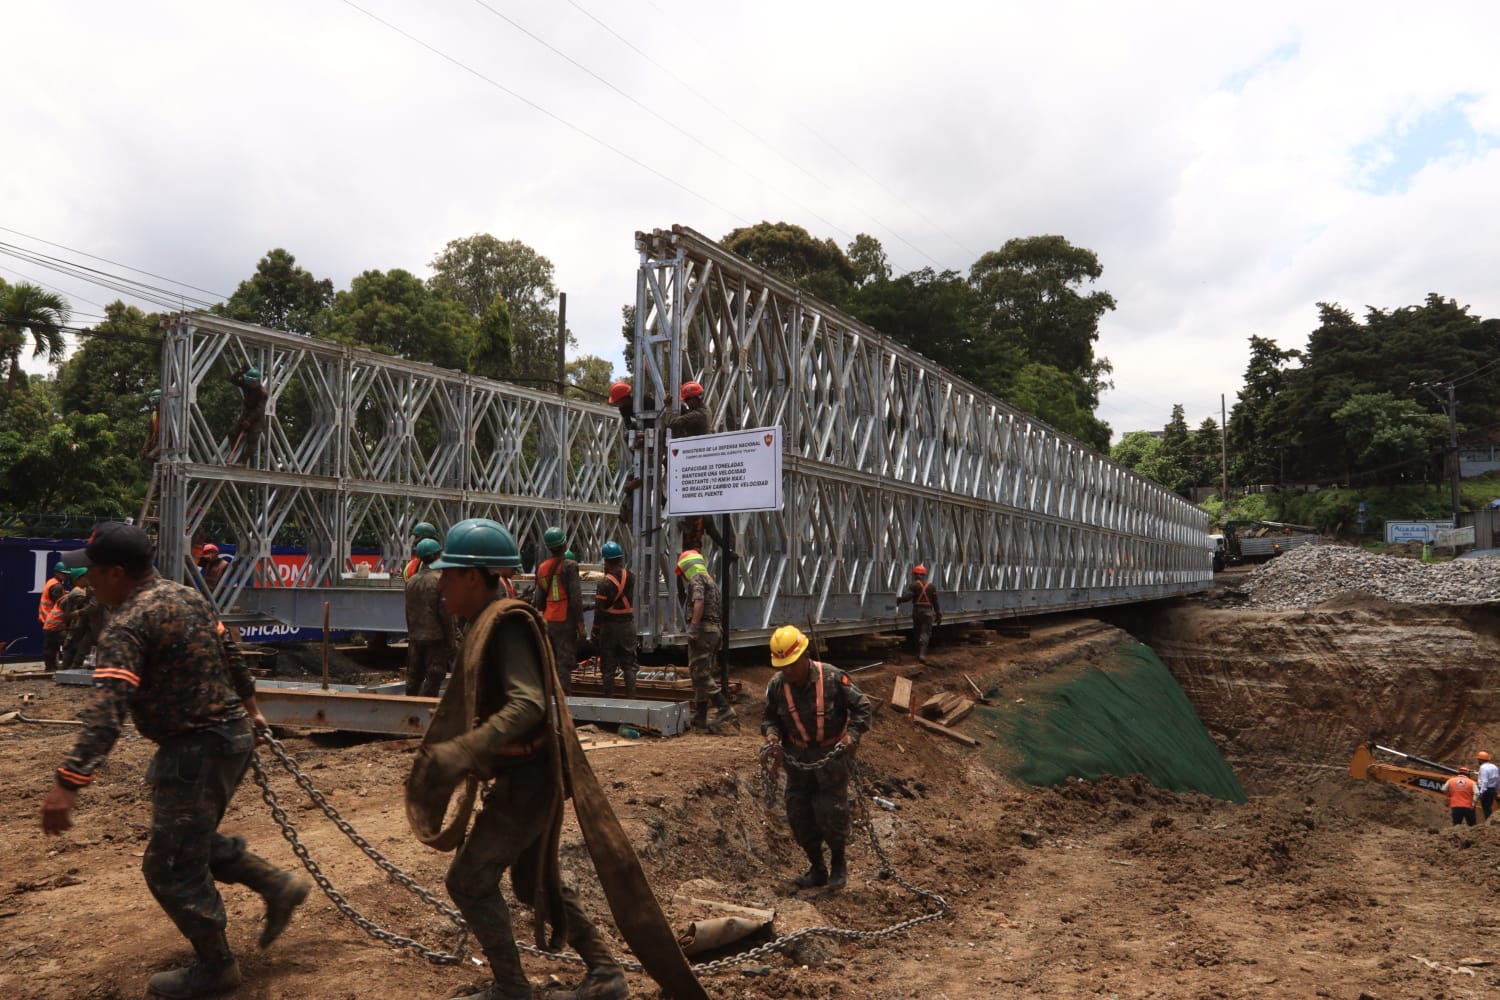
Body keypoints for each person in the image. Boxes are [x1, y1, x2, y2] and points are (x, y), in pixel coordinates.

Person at [39, 522, 311, 999]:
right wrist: (252, 709)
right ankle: (276, 886)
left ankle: (216, 967)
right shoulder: (188, 597)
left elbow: (107, 713)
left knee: (168, 866)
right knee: (191, 837)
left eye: (93, 574)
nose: (87, 583)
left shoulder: (126, 624)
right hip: (231, 737)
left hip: (194, 748)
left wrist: (68, 783)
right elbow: (231, 653)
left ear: (117, 573)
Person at [420, 518, 628, 1000]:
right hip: (527, 775)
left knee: (469, 880)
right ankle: (605, 972)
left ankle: (513, 988)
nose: (442, 582)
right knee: (534, 883)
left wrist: (465, 750)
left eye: (449, 574)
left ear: (474, 576)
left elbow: (528, 704)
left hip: (529, 780)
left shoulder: (506, 625)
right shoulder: (484, 621)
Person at [761, 625, 873, 891]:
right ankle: (817, 867)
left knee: (831, 812)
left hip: (830, 759)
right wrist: (772, 735)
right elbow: (769, 719)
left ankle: (838, 864)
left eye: (791, 664)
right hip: (797, 760)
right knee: (798, 814)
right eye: (782, 665)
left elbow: (862, 708)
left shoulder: (833, 678)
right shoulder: (778, 686)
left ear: (805, 656)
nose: (787, 670)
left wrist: (852, 735)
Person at [666, 381, 733, 558]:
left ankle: (724, 549)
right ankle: (728, 551)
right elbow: (687, 414)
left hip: (695, 462)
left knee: (698, 512)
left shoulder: (698, 416)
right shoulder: (703, 411)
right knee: (708, 522)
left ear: (696, 399)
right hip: (701, 461)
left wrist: (668, 408)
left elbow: (673, 423)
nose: (687, 403)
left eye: (688, 400)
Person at [676, 550, 736, 732]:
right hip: (715, 631)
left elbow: (699, 602)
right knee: (700, 671)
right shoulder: (711, 580)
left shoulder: (697, 579)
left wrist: (693, 626)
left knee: (699, 672)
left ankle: (724, 707)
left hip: (704, 630)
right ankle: (700, 715)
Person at [529, 526, 584, 695]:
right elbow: (575, 599)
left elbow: (538, 600)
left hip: (548, 619)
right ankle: (564, 700)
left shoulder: (542, 568)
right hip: (564, 619)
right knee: (564, 661)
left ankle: (549, 696)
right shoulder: (570, 566)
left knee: (550, 659)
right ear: (564, 545)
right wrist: (581, 624)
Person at [404, 537, 455, 697]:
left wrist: (411, 633)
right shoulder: (439, 580)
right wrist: (451, 639)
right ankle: (425, 709)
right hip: (435, 637)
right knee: (435, 674)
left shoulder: (411, 581)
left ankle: (408, 708)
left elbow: (407, 611)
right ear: (435, 556)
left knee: (413, 676)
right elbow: (445, 613)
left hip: (415, 636)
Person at [590, 541, 637, 698]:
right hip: (628, 626)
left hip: (610, 628)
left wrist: (595, 631)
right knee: (629, 665)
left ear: (606, 561)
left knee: (608, 667)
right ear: (620, 559)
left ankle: (609, 701)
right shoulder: (631, 577)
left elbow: (599, 610)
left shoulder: (604, 583)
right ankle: (632, 700)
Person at [894, 564, 944, 664]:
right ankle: (922, 654)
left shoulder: (914, 585)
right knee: (925, 632)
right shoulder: (931, 586)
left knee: (917, 631)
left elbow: (907, 597)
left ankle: (917, 652)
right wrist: (938, 614)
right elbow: (936, 602)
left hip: (917, 611)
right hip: (928, 611)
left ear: (915, 575)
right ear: (924, 575)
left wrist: (898, 600)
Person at [58, 568, 104, 670]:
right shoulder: (90, 587)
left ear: (81, 578)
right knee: (84, 646)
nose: (77, 586)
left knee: (100, 644)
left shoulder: (93, 586)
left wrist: (79, 612)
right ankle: (72, 669)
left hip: (100, 620)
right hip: (92, 621)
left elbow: (94, 605)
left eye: (75, 582)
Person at [226, 364, 267, 466]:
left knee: (252, 439)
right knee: (232, 433)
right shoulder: (247, 384)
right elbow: (233, 380)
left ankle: (243, 461)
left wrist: (249, 421)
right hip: (247, 413)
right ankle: (236, 454)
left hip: (256, 418)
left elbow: (260, 410)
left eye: (252, 383)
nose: (250, 385)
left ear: (257, 381)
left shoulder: (262, 393)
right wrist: (240, 371)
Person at [38, 560, 71, 671]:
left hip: (46, 619)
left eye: (66, 574)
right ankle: (50, 667)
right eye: (63, 573)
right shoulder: (56, 586)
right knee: (52, 646)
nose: (65, 576)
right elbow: (59, 603)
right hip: (51, 620)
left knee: (51, 646)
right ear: (57, 572)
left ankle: (51, 666)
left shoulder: (52, 582)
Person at [1477, 751, 1499, 820]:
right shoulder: (1494, 767)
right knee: (1489, 807)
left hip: (1485, 790)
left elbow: (1484, 781)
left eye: (1478, 759)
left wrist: (1481, 792)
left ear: (1480, 760)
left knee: (1486, 808)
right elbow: (1498, 780)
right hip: (1492, 789)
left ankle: (1488, 822)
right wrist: (1497, 790)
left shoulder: (1483, 768)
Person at [143, 388, 163, 461]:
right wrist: (145, 446)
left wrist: (154, 451)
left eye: (158, 404)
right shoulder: (154, 415)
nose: (157, 406)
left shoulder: (169, 416)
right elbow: (149, 432)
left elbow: (168, 439)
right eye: (155, 404)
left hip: (167, 449)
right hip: (155, 446)